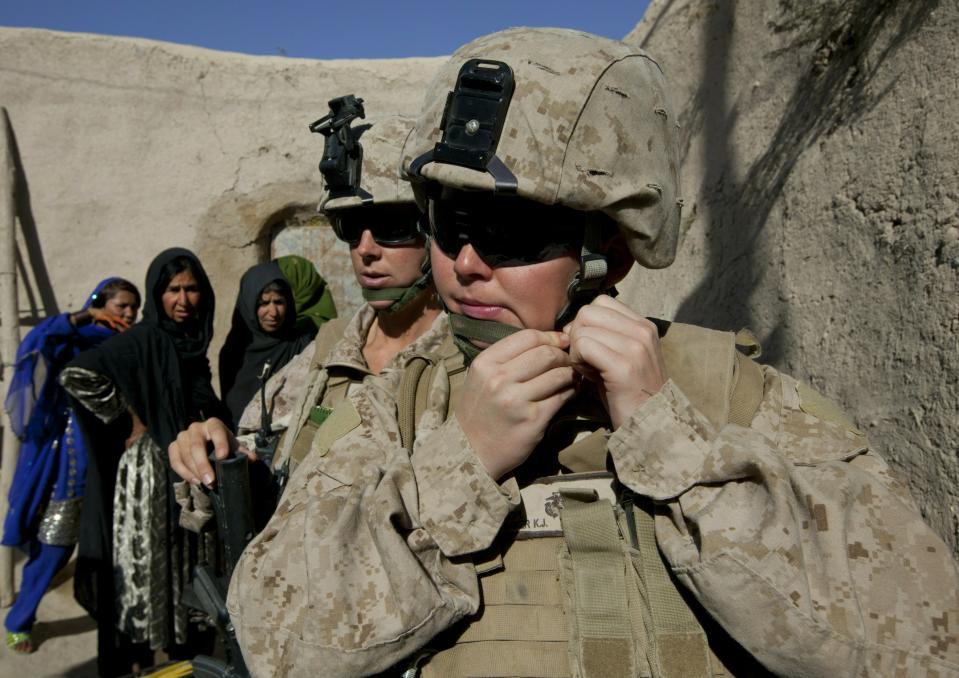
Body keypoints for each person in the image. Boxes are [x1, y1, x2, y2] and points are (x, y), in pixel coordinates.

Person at [174, 31, 959, 678]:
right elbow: (282, 647)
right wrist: (462, 463)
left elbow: (914, 648)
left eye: (509, 233)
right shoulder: (396, 407)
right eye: (448, 224)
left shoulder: (737, 398)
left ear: (608, 253)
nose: (466, 264)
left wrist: (669, 442)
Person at [171, 112, 445, 486]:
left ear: (434, 228)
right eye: (349, 228)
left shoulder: (462, 362)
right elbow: (269, 453)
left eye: (391, 227)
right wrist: (216, 448)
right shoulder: (333, 346)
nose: (365, 249)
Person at [60, 248, 229, 676]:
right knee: (152, 572)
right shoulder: (145, 337)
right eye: (173, 290)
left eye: (192, 289)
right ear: (158, 294)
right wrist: (130, 421)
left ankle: (179, 660)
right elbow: (77, 375)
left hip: (191, 473)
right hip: (151, 479)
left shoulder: (193, 344)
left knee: (185, 568)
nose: (183, 300)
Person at [2, 278, 139, 654]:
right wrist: (82, 317)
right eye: (119, 305)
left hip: (118, 456)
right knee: (56, 543)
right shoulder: (77, 338)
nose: (127, 313)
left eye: (133, 307)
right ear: (98, 303)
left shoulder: (134, 343)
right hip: (73, 457)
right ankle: (20, 619)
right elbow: (35, 345)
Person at [218, 261, 318, 426]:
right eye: (263, 303)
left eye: (279, 302)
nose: (273, 313)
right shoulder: (235, 353)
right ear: (249, 305)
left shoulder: (303, 344)